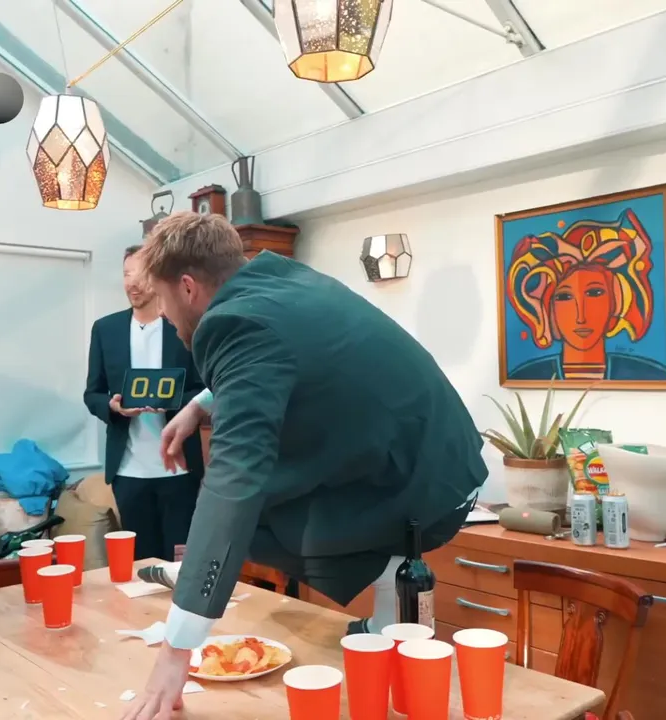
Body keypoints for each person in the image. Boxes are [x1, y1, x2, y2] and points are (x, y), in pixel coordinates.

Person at [119, 212, 488, 720]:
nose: (162, 314)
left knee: (247, 507)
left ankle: (200, 580)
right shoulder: (281, 277)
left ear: (187, 287)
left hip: (417, 489)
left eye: (161, 299)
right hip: (442, 460)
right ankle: (383, 619)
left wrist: (176, 648)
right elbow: (290, 353)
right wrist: (200, 405)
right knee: (255, 505)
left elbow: (234, 483)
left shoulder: (229, 324)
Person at [84, 245, 206, 561]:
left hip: (180, 470)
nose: (132, 283)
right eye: (126, 274)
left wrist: (172, 401)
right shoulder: (106, 329)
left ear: (158, 277)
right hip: (128, 472)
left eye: (139, 275)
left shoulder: (184, 327)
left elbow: (206, 388)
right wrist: (113, 407)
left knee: (180, 564)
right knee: (140, 565)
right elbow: (92, 394)